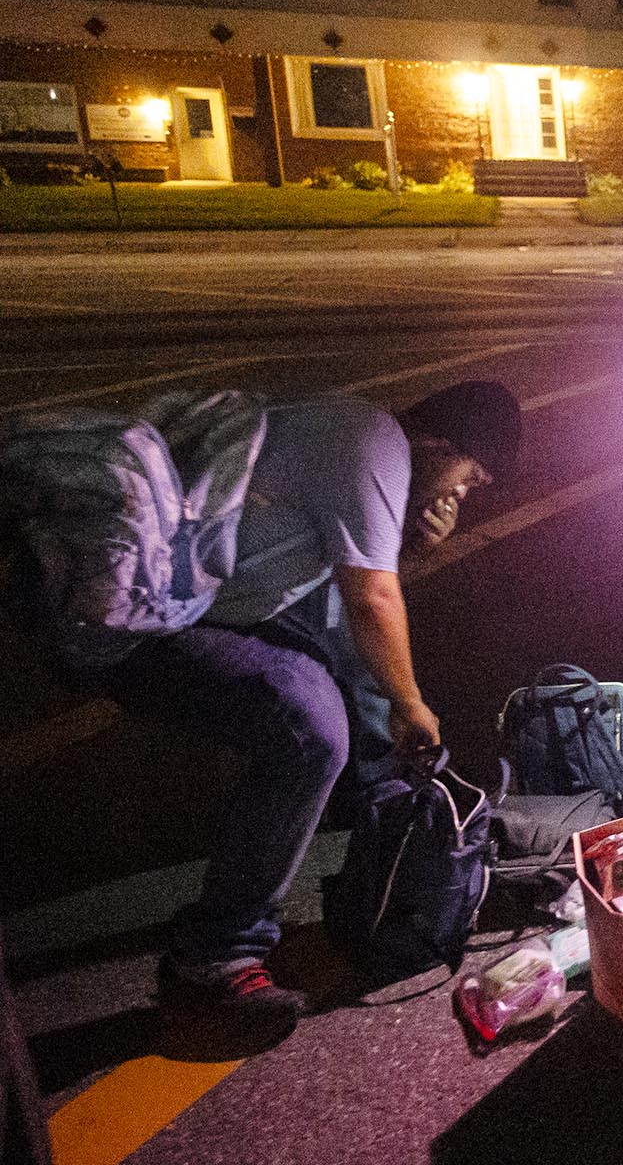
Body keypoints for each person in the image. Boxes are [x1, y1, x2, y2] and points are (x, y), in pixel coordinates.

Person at [105, 380, 520, 1050]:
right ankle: (210, 965)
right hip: (134, 618)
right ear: (440, 444)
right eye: (468, 477)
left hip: (181, 602)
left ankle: (391, 858)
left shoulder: (352, 435)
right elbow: (374, 603)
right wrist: (413, 707)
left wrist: (410, 545)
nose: (462, 495)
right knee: (310, 734)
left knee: (339, 674)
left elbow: (343, 611)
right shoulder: (374, 444)